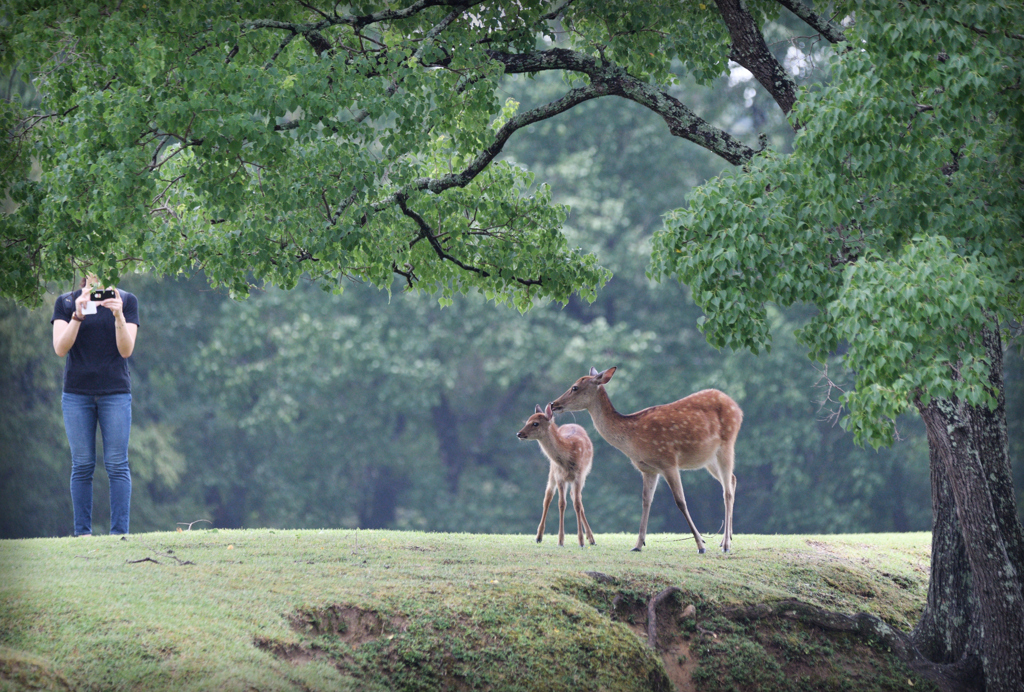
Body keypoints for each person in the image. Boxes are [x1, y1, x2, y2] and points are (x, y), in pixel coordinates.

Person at [51, 275, 140, 537]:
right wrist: (77, 315)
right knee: (82, 464)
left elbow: (126, 350)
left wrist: (119, 316)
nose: (98, 275)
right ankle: (83, 534)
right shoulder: (66, 302)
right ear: (84, 274)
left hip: (115, 392)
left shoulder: (127, 300)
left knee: (117, 464)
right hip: (77, 394)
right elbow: (60, 348)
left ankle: (119, 533)